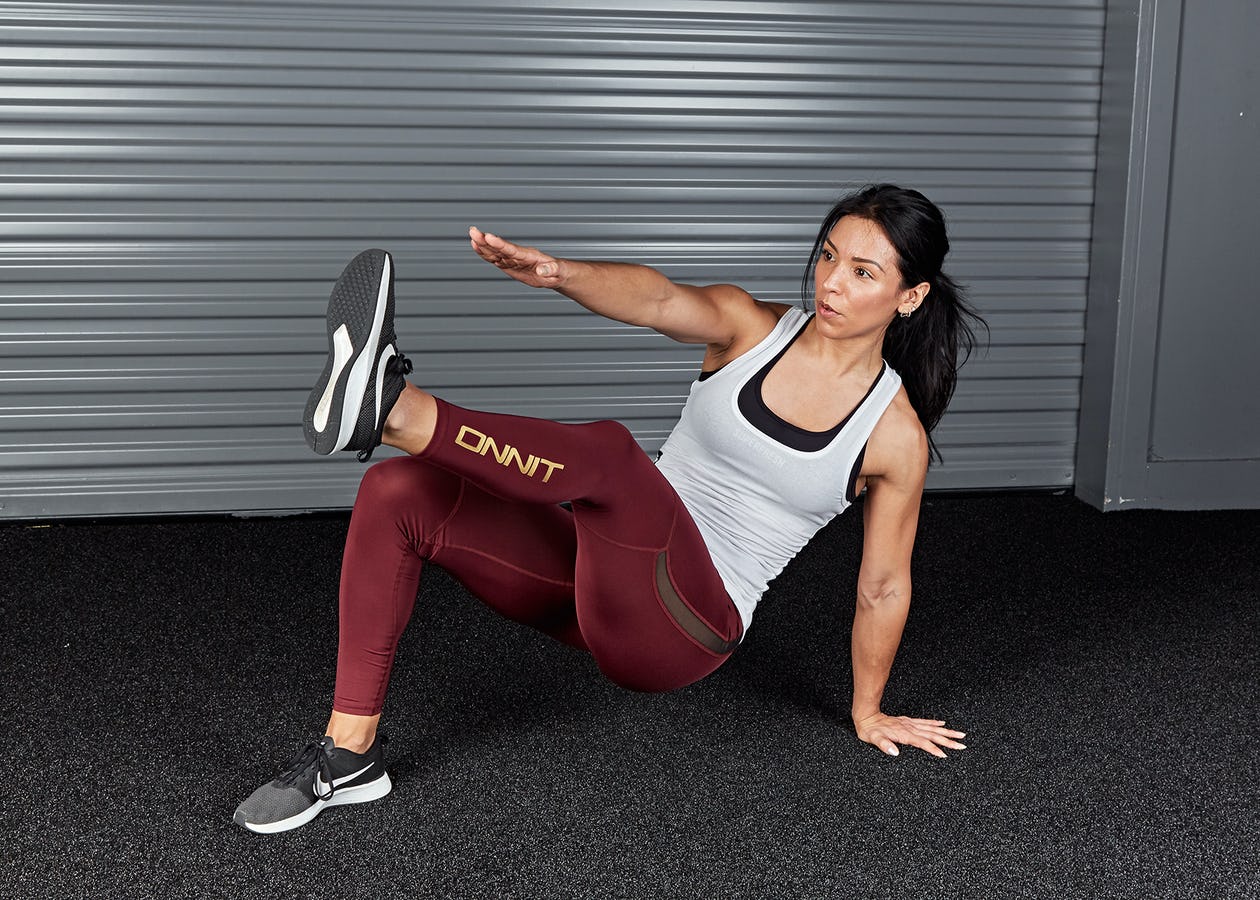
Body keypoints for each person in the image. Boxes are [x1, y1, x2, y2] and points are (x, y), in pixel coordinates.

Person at [234, 183, 985, 834]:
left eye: (863, 272)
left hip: (687, 628)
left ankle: (395, 412)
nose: (831, 282)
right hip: (600, 582)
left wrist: (869, 710)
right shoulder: (750, 327)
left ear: (909, 296)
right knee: (397, 493)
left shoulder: (893, 436)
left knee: (616, 462)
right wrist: (563, 274)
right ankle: (349, 756)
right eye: (827, 256)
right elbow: (658, 298)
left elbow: (883, 584)